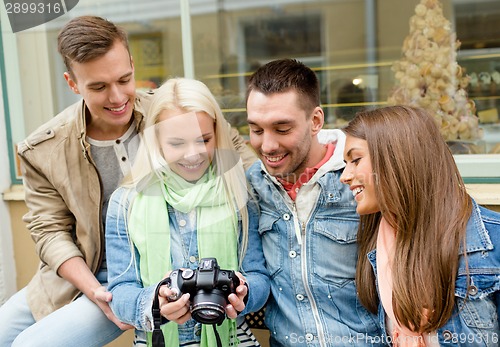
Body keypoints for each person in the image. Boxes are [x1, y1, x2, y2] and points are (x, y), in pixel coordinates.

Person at [0, 15, 256, 346]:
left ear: (133, 64)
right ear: (72, 83)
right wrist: (97, 292)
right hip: (86, 275)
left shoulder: (169, 112)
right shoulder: (43, 149)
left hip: (156, 271)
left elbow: (237, 156)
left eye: (125, 79)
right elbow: (49, 232)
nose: (118, 96)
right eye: (98, 86)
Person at [105, 77, 269, 346]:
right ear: (155, 140)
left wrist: (244, 292)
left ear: (217, 133)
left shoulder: (237, 192)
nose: (193, 155)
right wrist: (155, 303)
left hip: (232, 339)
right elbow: (120, 293)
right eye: (177, 143)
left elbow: (259, 278)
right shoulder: (127, 202)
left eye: (204, 139)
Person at [245, 58, 384, 346]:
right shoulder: (251, 185)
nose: (267, 146)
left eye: (282, 129)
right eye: (256, 130)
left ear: (315, 121)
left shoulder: (361, 177)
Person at [340, 105, 500, 346]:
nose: (344, 175)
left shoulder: (491, 240)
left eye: (355, 160)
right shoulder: (379, 244)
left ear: (397, 158)